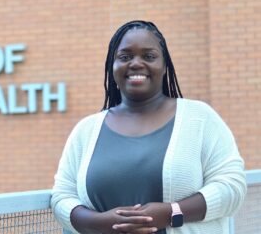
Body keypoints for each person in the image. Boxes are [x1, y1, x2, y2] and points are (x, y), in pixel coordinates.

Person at [51, 20, 246, 234]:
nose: (136, 63)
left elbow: (232, 187)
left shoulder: (200, 118)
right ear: (112, 66)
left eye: (149, 56)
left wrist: (172, 213)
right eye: (125, 57)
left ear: (164, 66)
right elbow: (62, 197)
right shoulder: (86, 131)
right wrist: (102, 223)